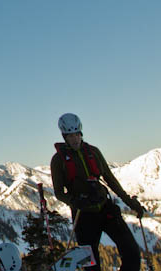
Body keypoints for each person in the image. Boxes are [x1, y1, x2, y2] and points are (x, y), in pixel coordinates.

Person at [50, 113, 144, 271]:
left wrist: (130, 203)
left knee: (132, 253)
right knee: (91, 266)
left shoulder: (93, 152)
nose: (74, 139)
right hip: (83, 215)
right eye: (70, 136)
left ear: (81, 133)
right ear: (64, 136)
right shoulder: (58, 160)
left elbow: (110, 179)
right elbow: (59, 192)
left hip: (105, 207)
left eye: (76, 135)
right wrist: (75, 201)